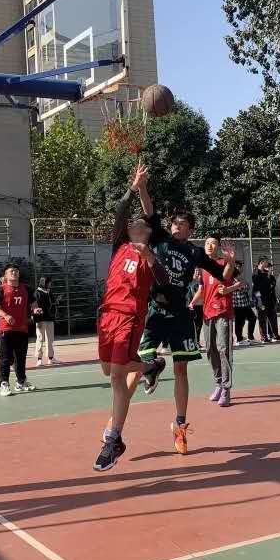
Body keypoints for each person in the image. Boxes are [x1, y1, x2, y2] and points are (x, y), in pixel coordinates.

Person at [136, 173, 234, 456]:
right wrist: (142, 186)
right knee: (140, 357)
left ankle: (180, 426)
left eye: (182, 224)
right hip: (156, 310)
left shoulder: (194, 252)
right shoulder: (160, 239)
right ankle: (152, 368)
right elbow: (149, 210)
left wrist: (229, 262)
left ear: (190, 230)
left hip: (180, 314)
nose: (177, 226)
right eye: (175, 223)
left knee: (181, 369)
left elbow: (224, 277)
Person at [94, 165, 169, 472]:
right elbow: (121, 210)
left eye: (141, 223)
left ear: (148, 232)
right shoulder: (119, 246)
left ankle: (114, 441)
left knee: (116, 375)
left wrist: (149, 257)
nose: (135, 223)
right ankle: (150, 366)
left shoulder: (151, 255)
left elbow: (163, 281)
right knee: (107, 369)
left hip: (129, 317)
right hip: (106, 316)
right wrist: (134, 187)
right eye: (132, 223)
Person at [190, 235, 241, 408]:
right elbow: (201, 290)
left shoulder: (224, 263)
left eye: (213, 243)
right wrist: (192, 302)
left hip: (223, 312)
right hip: (207, 313)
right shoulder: (203, 267)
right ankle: (219, 383)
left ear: (218, 247)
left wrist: (228, 289)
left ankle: (226, 388)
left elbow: (240, 282)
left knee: (223, 349)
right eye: (207, 243)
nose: (209, 246)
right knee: (210, 350)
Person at [0, 266, 35, 396]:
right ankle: (4, 384)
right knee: (5, 358)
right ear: (6, 275)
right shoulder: (0, 289)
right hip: (6, 329)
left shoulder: (25, 288)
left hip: (22, 328)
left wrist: (35, 309)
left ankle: (21, 382)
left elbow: (33, 302)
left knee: (21, 358)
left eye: (16, 271)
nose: (14, 272)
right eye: (11, 271)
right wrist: (5, 315)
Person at [252, 258, 280, 342]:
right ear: (261, 263)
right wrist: (259, 299)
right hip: (261, 300)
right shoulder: (256, 274)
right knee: (262, 318)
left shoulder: (266, 273)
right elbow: (255, 289)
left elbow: (271, 286)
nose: (267, 264)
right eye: (266, 262)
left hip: (269, 300)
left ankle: (274, 335)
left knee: (272, 317)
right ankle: (264, 336)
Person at [32, 277, 58, 366]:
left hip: (49, 319)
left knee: (50, 339)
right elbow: (34, 307)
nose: (50, 284)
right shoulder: (37, 293)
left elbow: (53, 303)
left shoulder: (49, 292)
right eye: (49, 283)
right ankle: (39, 359)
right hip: (41, 319)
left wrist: (56, 301)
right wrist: (37, 320)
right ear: (44, 283)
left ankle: (51, 358)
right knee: (40, 339)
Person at [232, 264, 258, 346]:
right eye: (238, 267)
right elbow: (244, 288)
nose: (240, 269)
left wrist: (244, 283)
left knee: (253, 318)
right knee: (239, 322)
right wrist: (243, 283)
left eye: (240, 267)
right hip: (238, 305)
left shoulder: (240, 279)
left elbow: (247, 287)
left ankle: (250, 337)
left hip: (245, 304)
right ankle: (239, 339)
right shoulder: (233, 280)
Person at [186, 269, 204, 347]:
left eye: (198, 271)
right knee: (189, 325)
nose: (197, 272)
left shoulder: (202, 281)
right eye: (195, 271)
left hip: (200, 306)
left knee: (199, 325)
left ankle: (197, 342)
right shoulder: (188, 281)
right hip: (189, 306)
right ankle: (190, 342)